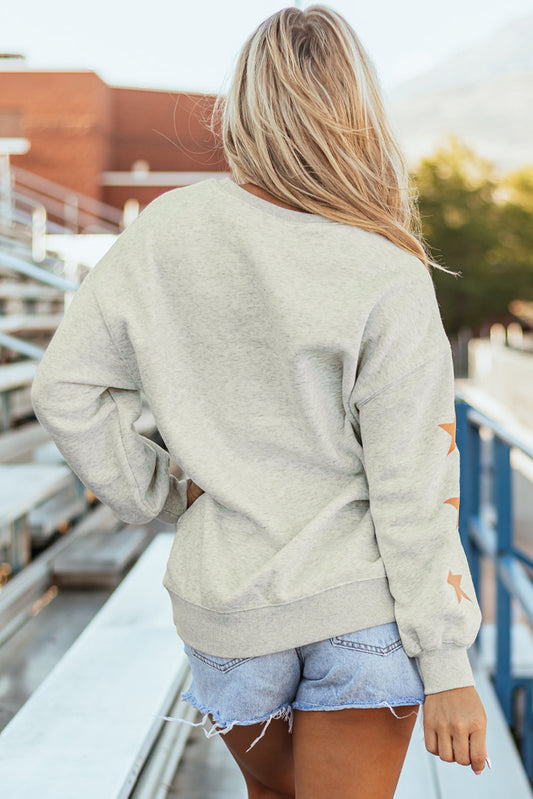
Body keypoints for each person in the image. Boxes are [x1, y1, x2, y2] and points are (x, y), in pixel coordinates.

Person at [30, 4, 489, 798]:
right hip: (359, 606)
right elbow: (413, 483)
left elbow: (63, 388)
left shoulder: (165, 230)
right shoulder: (382, 263)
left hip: (226, 608)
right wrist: (445, 661)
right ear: (354, 110)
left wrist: (163, 489)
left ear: (244, 102)